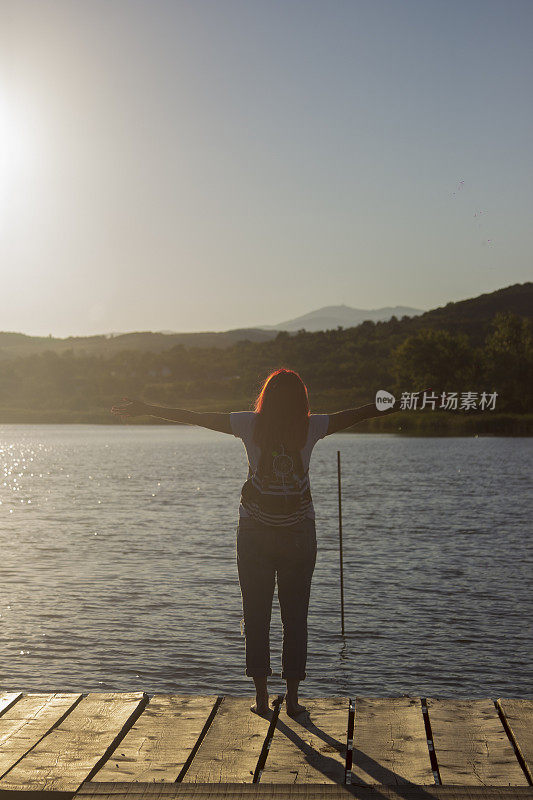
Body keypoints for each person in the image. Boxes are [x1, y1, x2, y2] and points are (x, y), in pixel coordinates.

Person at [110, 368, 407, 717]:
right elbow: (362, 412)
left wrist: (147, 407)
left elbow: (195, 417)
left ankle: (263, 699)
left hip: (254, 534)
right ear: (302, 399)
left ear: (266, 397)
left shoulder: (250, 424)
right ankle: (294, 700)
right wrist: (408, 401)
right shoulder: (310, 426)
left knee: (256, 616)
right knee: (296, 618)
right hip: (298, 534)